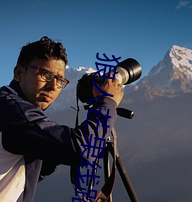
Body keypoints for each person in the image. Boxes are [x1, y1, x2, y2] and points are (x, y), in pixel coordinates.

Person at [0, 36, 124, 202]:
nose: (53, 86)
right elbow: (83, 150)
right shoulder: (14, 111)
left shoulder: (11, 106)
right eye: (45, 74)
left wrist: (53, 150)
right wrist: (107, 103)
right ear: (19, 73)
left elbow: (22, 174)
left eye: (59, 80)